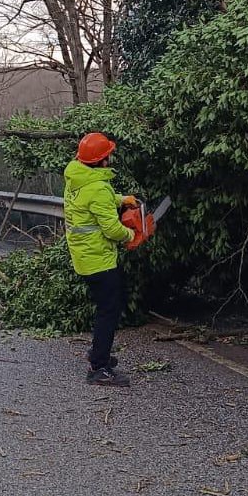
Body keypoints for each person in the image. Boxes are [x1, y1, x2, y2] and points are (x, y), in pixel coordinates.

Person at [64, 132, 139, 388]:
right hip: (99, 259)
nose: (110, 159)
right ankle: (99, 368)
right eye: (108, 156)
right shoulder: (97, 188)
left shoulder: (77, 178)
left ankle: (99, 352)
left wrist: (121, 199)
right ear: (101, 160)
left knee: (105, 306)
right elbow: (111, 229)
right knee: (109, 310)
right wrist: (132, 233)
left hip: (84, 255)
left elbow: (97, 200)